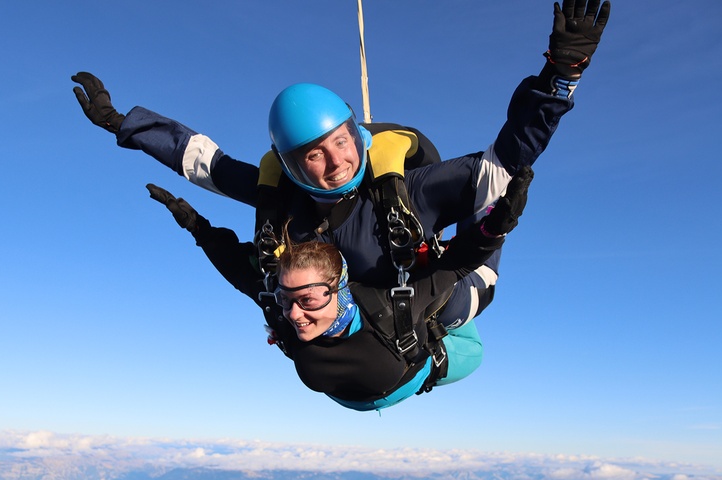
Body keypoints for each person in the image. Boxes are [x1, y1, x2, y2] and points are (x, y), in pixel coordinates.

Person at [71, 1, 610, 332]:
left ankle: (482, 258)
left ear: (357, 132)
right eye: (313, 154)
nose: (337, 161)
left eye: (343, 140)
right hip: (358, 310)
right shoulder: (281, 199)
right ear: (291, 165)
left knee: (472, 247)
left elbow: (510, 153)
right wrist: (124, 123)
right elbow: (202, 161)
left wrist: (560, 77)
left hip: (445, 281)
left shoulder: (408, 192)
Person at [143, 164, 533, 411]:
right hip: (422, 363)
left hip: (436, 348)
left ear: (339, 289)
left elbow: (460, 262)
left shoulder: (392, 308)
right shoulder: (384, 313)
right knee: (453, 285)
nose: (293, 314)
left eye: (306, 300)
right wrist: (196, 226)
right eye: (286, 299)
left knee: (466, 283)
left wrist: (498, 222)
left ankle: (486, 198)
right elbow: (243, 275)